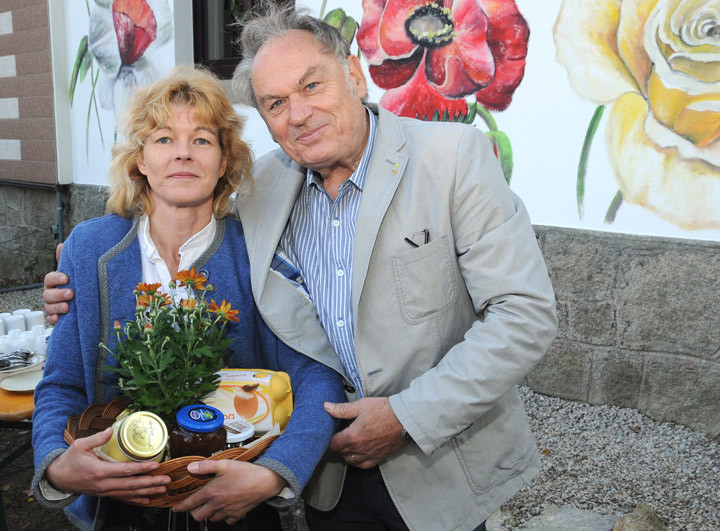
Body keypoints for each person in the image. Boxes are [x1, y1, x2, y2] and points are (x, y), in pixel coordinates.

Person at [45, 4, 558, 530]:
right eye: (275, 103)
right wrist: (75, 273)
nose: (299, 114)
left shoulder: (453, 159)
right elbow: (171, 203)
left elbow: (525, 315)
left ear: (355, 76)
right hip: (328, 472)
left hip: (436, 463)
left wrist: (405, 418)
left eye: (312, 86)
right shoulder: (262, 189)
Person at [31, 65, 345, 530]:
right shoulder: (89, 248)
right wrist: (57, 464)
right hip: (121, 508)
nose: (182, 153)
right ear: (139, 158)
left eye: (201, 139)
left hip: (234, 508)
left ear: (223, 162)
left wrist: (273, 474)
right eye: (162, 139)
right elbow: (61, 384)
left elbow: (316, 375)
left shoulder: (256, 250)